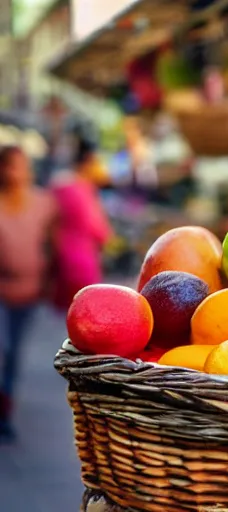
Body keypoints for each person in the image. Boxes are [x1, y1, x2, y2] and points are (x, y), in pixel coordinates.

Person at [0, 146, 57, 441]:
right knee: (3, 349)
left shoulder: (43, 203)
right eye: (10, 166)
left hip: (30, 292)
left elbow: (53, 242)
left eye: (21, 166)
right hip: (2, 292)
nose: (16, 172)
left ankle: (5, 411)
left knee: (13, 355)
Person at [50, 139, 112, 312]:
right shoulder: (81, 190)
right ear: (87, 164)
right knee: (83, 310)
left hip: (61, 256)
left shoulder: (58, 186)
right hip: (82, 260)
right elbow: (98, 229)